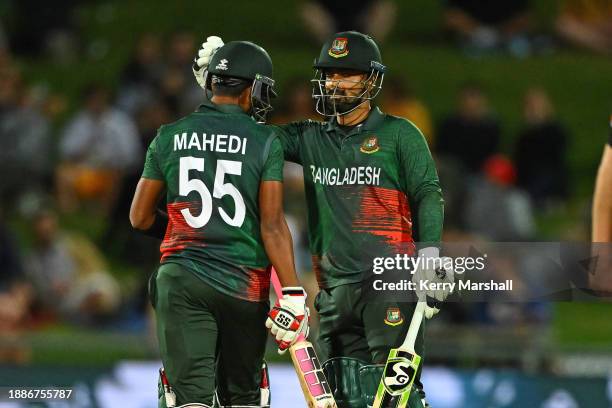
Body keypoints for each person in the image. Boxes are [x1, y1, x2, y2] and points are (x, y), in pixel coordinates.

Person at [193, 31, 453, 408]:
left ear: (370, 80)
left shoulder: (400, 134)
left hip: (389, 283)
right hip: (332, 294)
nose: (334, 83)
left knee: (396, 396)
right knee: (342, 394)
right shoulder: (309, 138)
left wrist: (429, 256)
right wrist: (219, 90)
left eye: (346, 74)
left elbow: (428, 195)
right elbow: (246, 138)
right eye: (329, 74)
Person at [131, 39, 308, 408]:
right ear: (253, 88)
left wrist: (192, 229)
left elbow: (140, 217)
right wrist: (292, 292)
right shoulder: (264, 140)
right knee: (244, 400)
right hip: (243, 286)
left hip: (183, 280)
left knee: (188, 400)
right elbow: (272, 225)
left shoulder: (170, 135)